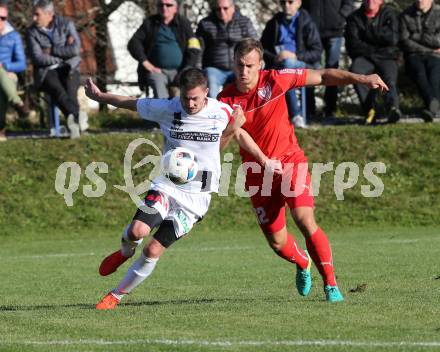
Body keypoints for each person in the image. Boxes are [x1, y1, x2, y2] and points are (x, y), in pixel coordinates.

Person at [85, 68, 272, 310]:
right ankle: (124, 252)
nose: (190, 103)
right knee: (137, 231)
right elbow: (131, 103)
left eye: (196, 98)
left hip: (197, 199)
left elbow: (239, 133)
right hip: (167, 186)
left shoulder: (221, 112)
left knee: (153, 249)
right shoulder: (169, 108)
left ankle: (116, 295)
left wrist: (264, 160)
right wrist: (100, 97)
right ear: (180, 94)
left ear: (206, 92)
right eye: (186, 98)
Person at [218, 38, 388, 302]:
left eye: (250, 65)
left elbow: (321, 76)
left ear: (260, 65)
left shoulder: (276, 79)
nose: (244, 71)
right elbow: (218, 146)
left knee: (304, 220)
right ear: (233, 63)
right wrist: (230, 128)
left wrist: (361, 78)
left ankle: (331, 285)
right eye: (240, 65)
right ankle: (302, 261)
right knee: (277, 242)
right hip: (256, 173)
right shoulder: (224, 100)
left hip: (289, 162)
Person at [26, 0, 88, 139]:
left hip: (69, 67)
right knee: (58, 91)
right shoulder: (31, 32)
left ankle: (75, 129)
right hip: (46, 71)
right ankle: (79, 119)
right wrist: (63, 55)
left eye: (37, 14)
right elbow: (38, 58)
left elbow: (76, 49)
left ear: (49, 14)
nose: (34, 18)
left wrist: (51, 50)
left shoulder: (66, 25)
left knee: (70, 94)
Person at [261, 0, 322, 128]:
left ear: (299, 3)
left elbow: (316, 52)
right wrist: (275, 57)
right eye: (283, 2)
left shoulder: (307, 22)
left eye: (290, 2)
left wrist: (295, 56)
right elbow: (262, 49)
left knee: (287, 66)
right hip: (277, 63)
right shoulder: (274, 23)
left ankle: (295, 115)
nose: (286, 5)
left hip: (301, 64)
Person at [127, 0, 201, 99]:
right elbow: (134, 43)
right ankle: (162, 113)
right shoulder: (150, 23)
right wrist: (145, 63)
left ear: (175, 8)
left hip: (180, 71)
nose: (164, 7)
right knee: (161, 99)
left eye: (168, 5)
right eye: (161, 5)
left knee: (182, 99)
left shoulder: (184, 23)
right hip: (157, 72)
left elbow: (194, 47)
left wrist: (187, 68)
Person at [345, 0, 401, 125]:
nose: (371, 1)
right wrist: (377, 43)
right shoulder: (354, 18)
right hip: (365, 56)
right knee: (356, 72)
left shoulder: (390, 14)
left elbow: (393, 38)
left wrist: (367, 35)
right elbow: (353, 45)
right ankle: (370, 110)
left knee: (389, 77)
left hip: (386, 56)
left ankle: (392, 108)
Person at [302, 0, 355, 118]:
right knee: (310, 70)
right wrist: (305, 20)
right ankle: (309, 110)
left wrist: (340, 17)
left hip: (335, 32)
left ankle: (330, 109)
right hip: (312, 32)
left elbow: (348, 3)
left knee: (333, 70)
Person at [196, 0, 258, 98]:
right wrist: (197, 69)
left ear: (233, 8)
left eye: (225, 8)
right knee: (210, 80)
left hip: (239, 67)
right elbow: (199, 49)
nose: (221, 12)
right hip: (214, 68)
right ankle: (214, 111)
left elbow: (255, 44)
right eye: (218, 9)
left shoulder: (244, 22)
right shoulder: (205, 24)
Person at [400, 0, 440, 122]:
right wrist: (428, 48)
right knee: (419, 73)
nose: (420, 0)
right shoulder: (406, 15)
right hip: (414, 55)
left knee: (434, 75)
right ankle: (432, 106)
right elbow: (405, 41)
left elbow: (438, 40)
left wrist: (416, 36)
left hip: (436, 56)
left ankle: (431, 108)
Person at [0, 1, 28, 141]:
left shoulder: (14, 36)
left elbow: (22, 64)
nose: (0, 21)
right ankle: (17, 102)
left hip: (9, 75)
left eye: (3, 18)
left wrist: (5, 66)